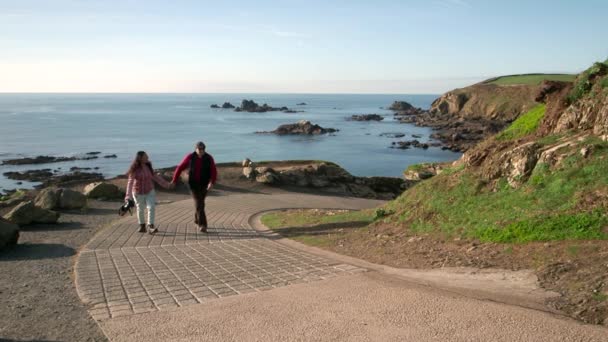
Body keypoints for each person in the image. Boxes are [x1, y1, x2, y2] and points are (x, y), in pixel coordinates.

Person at [171, 141, 217, 233]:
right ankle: (202, 225)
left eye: (203, 149)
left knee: (201, 203)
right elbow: (180, 167)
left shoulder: (209, 158)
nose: (201, 151)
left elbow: (213, 171)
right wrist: (174, 180)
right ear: (195, 149)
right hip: (193, 184)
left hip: (204, 184)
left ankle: (197, 219)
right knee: (199, 203)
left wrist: (212, 182)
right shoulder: (190, 157)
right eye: (199, 149)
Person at [125, 151, 171, 234]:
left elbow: (155, 177)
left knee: (151, 207)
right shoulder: (134, 169)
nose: (148, 157)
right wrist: (128, 196)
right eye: (146, 156)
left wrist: (167, 185)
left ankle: (151, 227)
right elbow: (130, 182)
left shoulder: (148, 166)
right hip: (138, 192)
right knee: (140, 209)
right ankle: (142, 226)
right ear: (140, 158)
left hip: (149, 191)